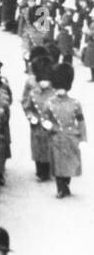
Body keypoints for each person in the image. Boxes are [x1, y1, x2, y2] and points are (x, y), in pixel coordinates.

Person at [46, 62, 85, 198]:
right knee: (58, 165)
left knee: (69, 164)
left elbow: (80, 121)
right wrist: (48, 126)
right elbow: (46, 118)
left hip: (71, 137)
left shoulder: (75, 103)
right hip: (56, 136)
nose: (61, 90)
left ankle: (66, 184)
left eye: (63, 88)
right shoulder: (50, 103)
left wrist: (83, 138)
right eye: (59, 88)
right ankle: (60, 188)